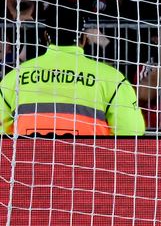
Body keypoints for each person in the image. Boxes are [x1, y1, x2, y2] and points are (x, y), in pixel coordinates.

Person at [0, 11, 145, 136]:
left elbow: (2, 131)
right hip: (90, 165)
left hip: (28, 164)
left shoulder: (15, 77)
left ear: (45, 37)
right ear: (84, 39)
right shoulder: (113, 78)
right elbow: (132, 131)